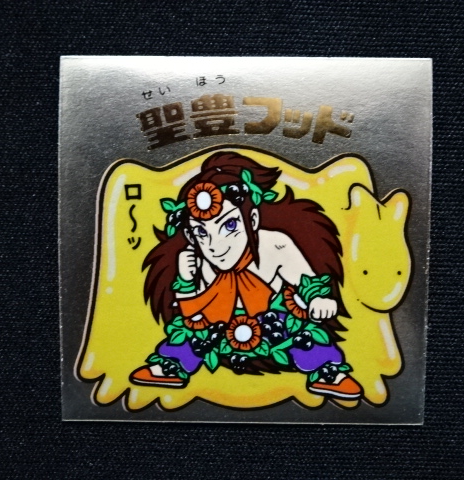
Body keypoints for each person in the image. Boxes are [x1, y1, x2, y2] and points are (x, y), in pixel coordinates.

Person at [130, 151, 362, 400]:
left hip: (273, 322)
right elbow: (192, 310)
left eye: (229, 225)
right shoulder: (196, 260)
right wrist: (186, 280)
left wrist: (318, 300)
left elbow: (307, 281)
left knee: (305, 333)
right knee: (189, 334)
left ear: (251, 219)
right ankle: (172, 365)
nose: (215, 246)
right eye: (201, 232)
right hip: (219, 324)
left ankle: (326, 370)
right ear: (190, 234)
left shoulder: (276, 245)